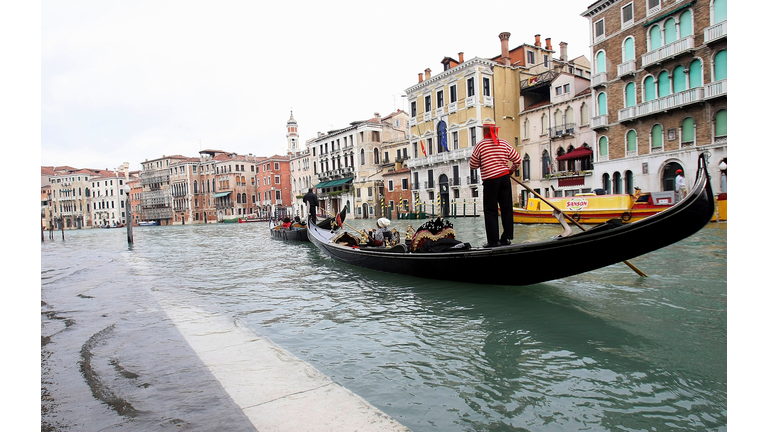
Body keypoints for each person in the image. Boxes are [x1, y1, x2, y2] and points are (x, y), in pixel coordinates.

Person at [469, 120, 522, 248]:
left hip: (490, 181)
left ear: (485, 130)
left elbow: (473, 165)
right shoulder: (503, 143)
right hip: (504, 179)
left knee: (491, 211)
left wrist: (483, 162)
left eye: (483, 129)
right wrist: (510, 171)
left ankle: (493, 241)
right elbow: (517, 159)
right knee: (506, 209)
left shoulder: (480, 145)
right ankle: (506, 238)